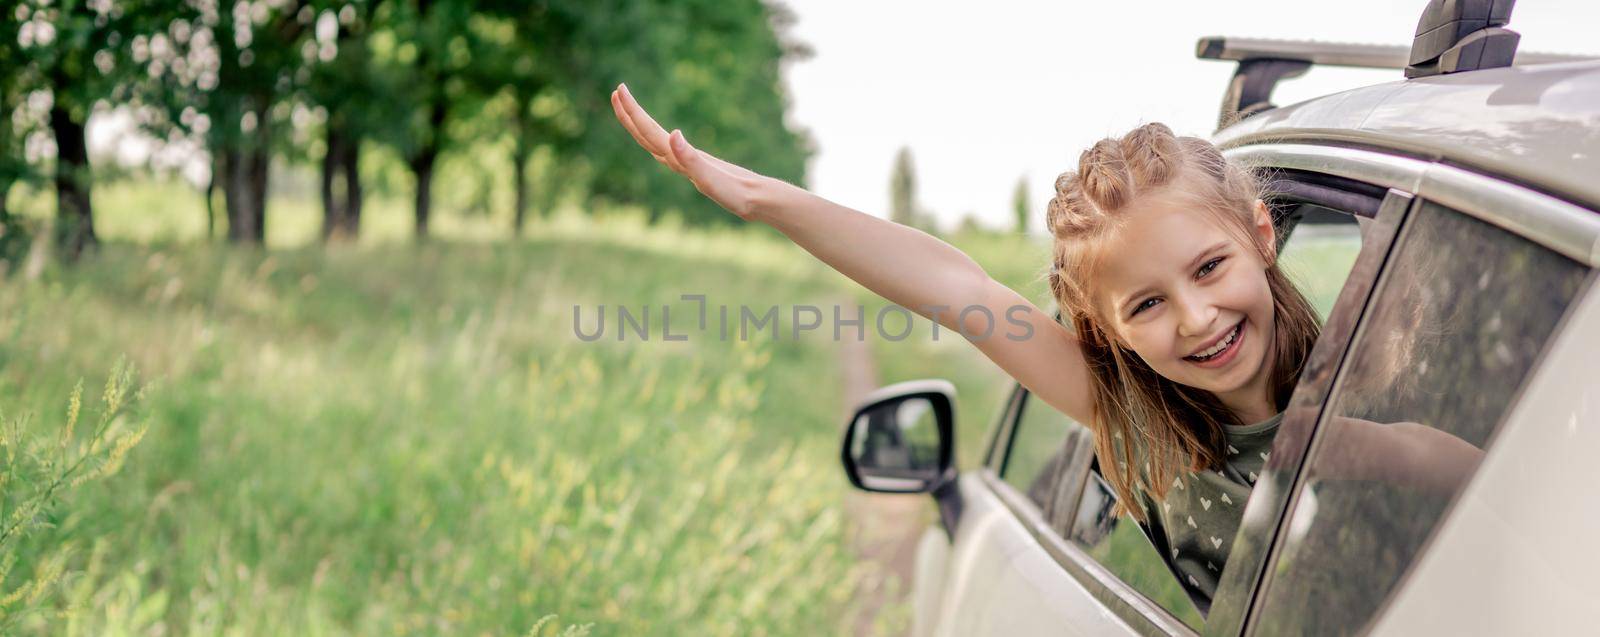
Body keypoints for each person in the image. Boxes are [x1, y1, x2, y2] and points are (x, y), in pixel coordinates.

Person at [607, 84, 1479, 611]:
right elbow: (958, 290)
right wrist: (763, 198)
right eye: (1147, 303)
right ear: (1105, 333)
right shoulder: (1132, 420)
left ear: (1261, 234)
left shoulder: (1387, 377)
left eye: (1210, 267)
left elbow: (1500, 495)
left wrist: (1373, 449)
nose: (1196, 317)